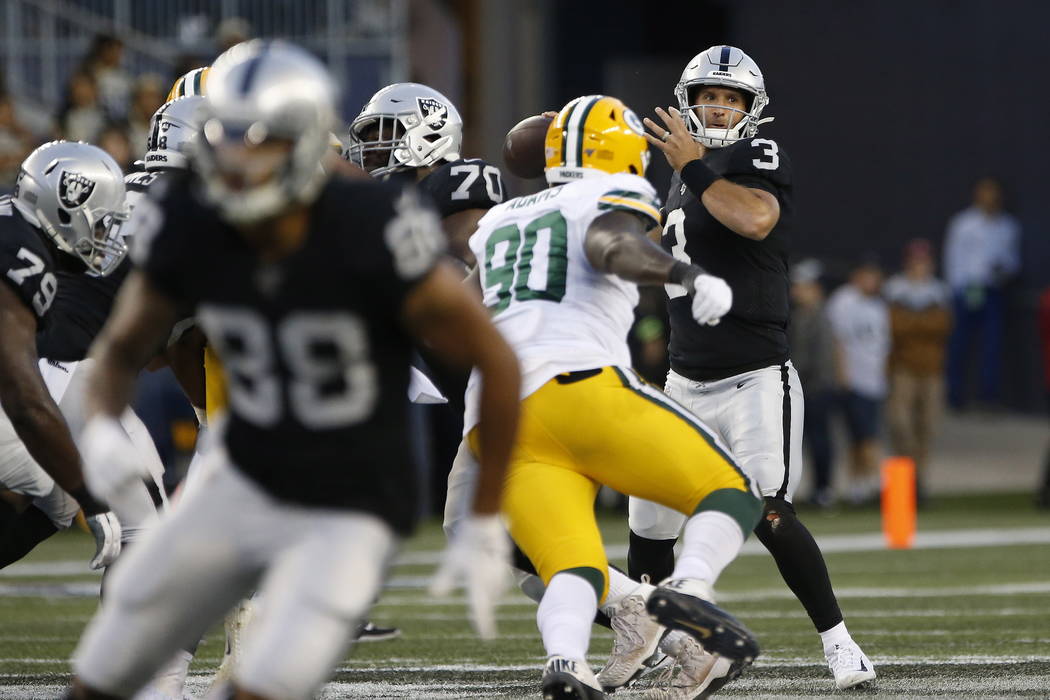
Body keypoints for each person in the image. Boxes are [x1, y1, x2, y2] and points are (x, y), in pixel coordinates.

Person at [67, 40, 521, 700]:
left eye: (261, 139)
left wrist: (483, 518)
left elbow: (496, 362)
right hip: (242, 474)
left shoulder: (376, 221)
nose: (238, 159)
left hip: (350, 499)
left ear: (307, 138)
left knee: (261, 688)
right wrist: (104, 425)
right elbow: (124, 346)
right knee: (104, 672)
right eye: (225, 137)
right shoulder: (193, 211)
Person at [465, 93, 761, 700]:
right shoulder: (602, 195)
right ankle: (692, 589)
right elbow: (610, 244)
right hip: (578, 386)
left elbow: (457, 311)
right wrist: (684, 275)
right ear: (621, 148)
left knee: (571, 564)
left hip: (495, 420)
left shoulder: (500, 220)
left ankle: (567, 662)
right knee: (732, 492)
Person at [623, 45, 876, 691]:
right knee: (649, 521)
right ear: (687, 100)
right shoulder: (680, 179)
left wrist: (696, 169)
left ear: (750, 110)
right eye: (710, 94)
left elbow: (756, 219)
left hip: (754, 376)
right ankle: (659, 647)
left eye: (731, 98)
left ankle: (841, 644)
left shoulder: (748, 160)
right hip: (684, 377)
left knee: (768, 511)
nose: (718, 106)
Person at [0, 141, 129, 570]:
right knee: (49, 480)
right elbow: (23, 399)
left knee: (54, 492)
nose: (101, 238)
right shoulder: (22, 255)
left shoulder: (11, 222)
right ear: (68, 203)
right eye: (99, 225)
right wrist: (93, 500)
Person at [942, 177, 1020, 409]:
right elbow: (952, 258)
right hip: (967, 289)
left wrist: (1004, 268)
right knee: (959, 344)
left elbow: (1014, 261)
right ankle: (955, 397)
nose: (989, 198)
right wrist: (953, 291)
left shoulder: (1008, 226)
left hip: (993, 290)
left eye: (993, 193)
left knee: (991, 346)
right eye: (984, 193)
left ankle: (988, 398)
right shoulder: (963, 223)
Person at [884, 239, 952, 503]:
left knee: (928, 426)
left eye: (923, 261)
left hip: (932, 370)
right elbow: (895, 328)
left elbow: (942, 327)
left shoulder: (938, 291)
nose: (919, 266)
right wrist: (922, 324)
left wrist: (914, 324)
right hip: (903, 368)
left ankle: (920, 483)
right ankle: (904, 480)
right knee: (900, 424)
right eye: (915, 261)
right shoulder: (895, 289)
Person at [827, 259, 890, 504]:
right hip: (854, 378)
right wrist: (843, 374)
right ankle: (882, 484)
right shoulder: (844, 301)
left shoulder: (878, 306)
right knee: (866, 436)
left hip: (874, 380)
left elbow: (883, 346)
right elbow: (838, 339)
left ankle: (857, 487)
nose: (872, 282)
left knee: (859, 437)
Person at [789, 259, 837, 507]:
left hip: (815, 387)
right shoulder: (801, 314)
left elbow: (813, 357)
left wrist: (792, 374)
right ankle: (817, 489)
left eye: (801, 286)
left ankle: (823, 489)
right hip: (807, 385)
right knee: (806, 442)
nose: (796, 291)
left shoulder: (818, 315)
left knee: (820, 440)